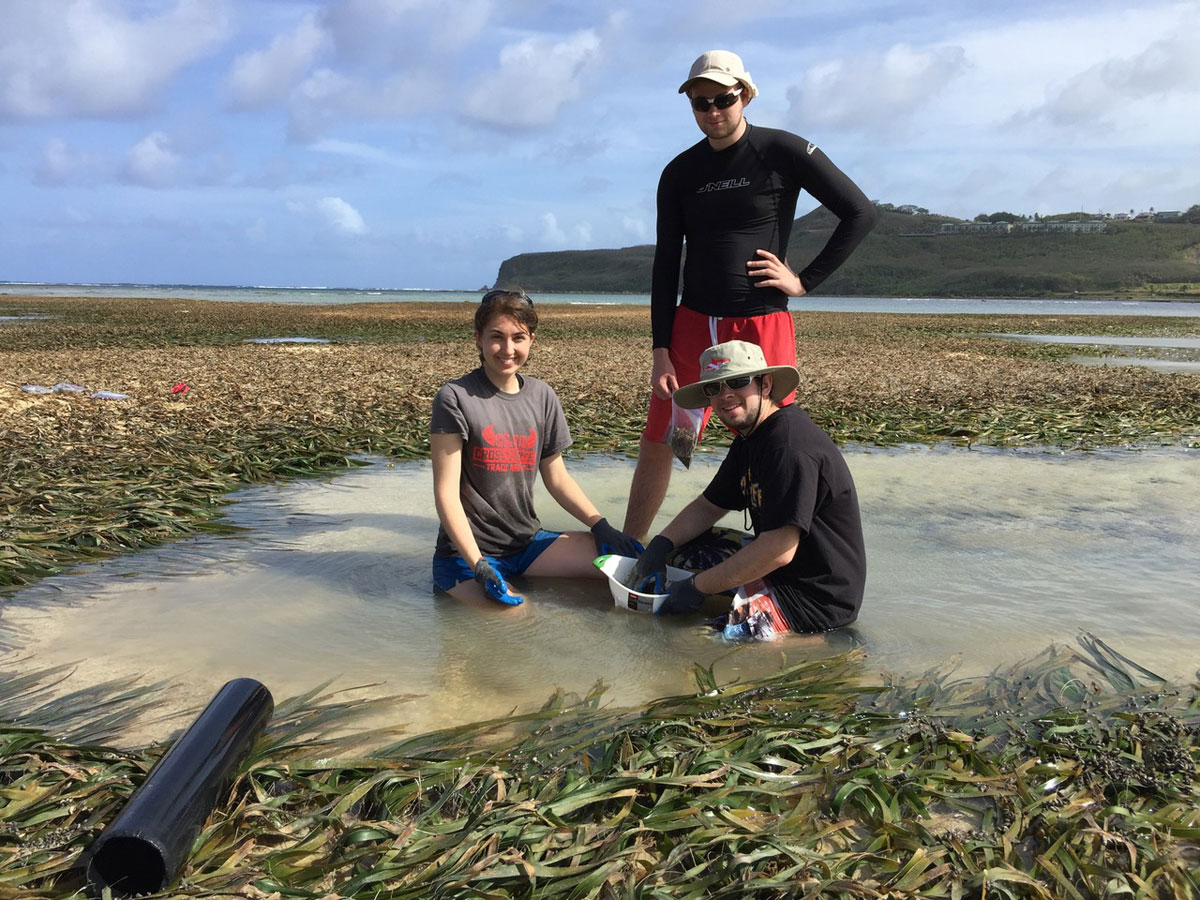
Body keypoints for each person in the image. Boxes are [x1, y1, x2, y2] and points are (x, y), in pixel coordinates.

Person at [623, 49, 877, 540]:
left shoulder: (781, 150)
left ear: (746, 94)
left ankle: (774, 550)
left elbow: (860, 213)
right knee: (662, 439)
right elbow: (664, 263)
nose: (713, 112)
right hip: (692, 323)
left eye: (724, 99)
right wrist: (660, 350)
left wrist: (805, 280)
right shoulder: (679, 172)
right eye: (700, 103)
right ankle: (630, 548)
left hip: (761, 323)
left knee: (773, 443)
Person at [629, 340, 866, 640]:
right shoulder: (750, 439)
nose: (726, 395)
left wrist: (697, 587)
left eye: (738, 382)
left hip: (814, 600)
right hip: (779, 570)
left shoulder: (789, 447)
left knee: (694, 643)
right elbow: (708, 506)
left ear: (765, 385)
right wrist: (659, 545)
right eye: (714, 388)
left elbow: (779, 549)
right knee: (683, 552)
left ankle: (813, 644)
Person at [431, 289, 640, 606]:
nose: (507, 349)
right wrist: (478, 565)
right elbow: (446, 494)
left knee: (629, 566)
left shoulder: (542, 396)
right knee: (521, 618)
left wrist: (601, 525)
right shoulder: (455, 398)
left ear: (532, 340)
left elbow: (557, 478)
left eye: (518, 337)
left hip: (526, 545)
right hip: (466, 555)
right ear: (478, 339)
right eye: (496, 337)